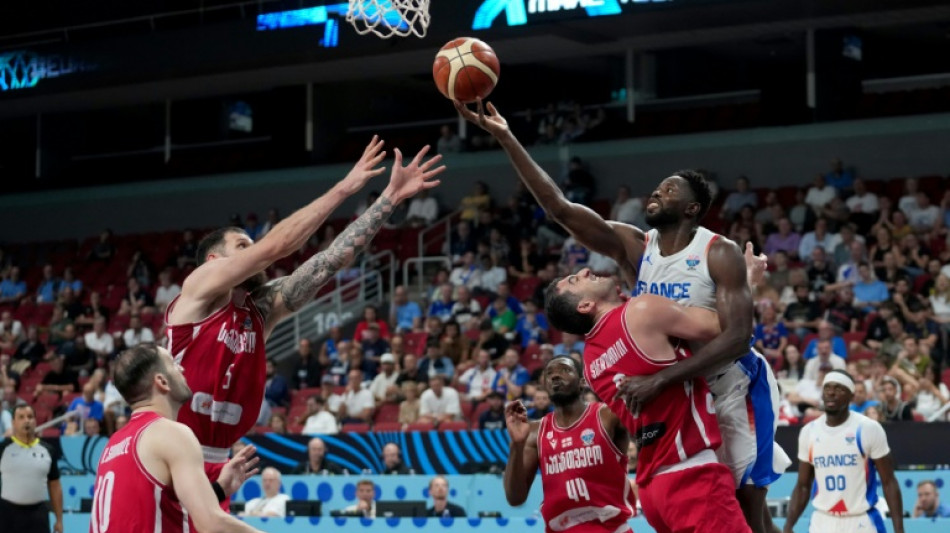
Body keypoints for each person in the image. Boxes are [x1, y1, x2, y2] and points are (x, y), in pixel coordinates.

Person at [456, 98, 785, 532]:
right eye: (657, 186)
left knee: (748, 504)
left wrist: (662, 378)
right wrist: (506, 136)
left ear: (691, 209)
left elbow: (739, 336)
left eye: (670, 189)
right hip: (685, 395)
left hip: (734, 385)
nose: (657, 191)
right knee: (728, 510)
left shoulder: (717, 251)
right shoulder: (636, 247)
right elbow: (560, 209)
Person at [164, 139, 443, 486]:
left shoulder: (260, 310)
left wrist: (388, 200)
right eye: (242, 246)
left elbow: (327, 263)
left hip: (219, 461)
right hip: (171, 450)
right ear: (214, 260)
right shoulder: (199, 288)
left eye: (251, 245)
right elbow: (277, 246)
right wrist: (344, 188)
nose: (254, 250)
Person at [540, 274, 750, 532]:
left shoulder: (592, 363)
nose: (584, 271)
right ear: (585, 306)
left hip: (653, 488)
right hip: (691, 474)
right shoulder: (641, 311)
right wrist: (743, 280)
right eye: (574, 280)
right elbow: (728, 329)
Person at [89, 343, 263, 533]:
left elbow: (156, 511)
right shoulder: (170, 433)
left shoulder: (113, 443)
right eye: (173, 363)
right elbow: (211, 524)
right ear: (162, 382)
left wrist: (219, 489)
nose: (182, 368)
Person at [503, 356, 635, 533]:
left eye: (564, 370)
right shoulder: (535, 432)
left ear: (581, 382)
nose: (555, 376)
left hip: (611, 528)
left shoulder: (607, 416)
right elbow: (515, 498)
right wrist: (516, 446)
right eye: (549, 373)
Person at [784, 370, 904, 533]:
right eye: (827, 388)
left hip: (860, 520)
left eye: (839, 389)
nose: (832, 392)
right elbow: (803, 486)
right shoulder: (809, 432)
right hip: (823, 521)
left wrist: (899, 529)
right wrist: (789, 524)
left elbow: (889, 482)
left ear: (851, 396)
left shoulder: (867, 428)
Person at [0, 404, 63, 533]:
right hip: (7, 514)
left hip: (38, 515)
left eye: (30, 417)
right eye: (21, 417)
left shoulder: (48, 450)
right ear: (13, 423)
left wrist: (59, 519)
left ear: (35, 421)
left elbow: (55, 485)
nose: (26, 420)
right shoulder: (3, 449)